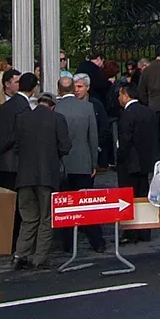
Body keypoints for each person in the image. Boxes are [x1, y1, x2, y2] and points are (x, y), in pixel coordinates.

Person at [0, 91, 70, 270]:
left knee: (28, 218)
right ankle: (39, 258)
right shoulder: (57, 119)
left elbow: (14, 145)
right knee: (46, 218)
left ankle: (20, 255)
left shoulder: (22, 119)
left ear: (37, 103)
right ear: (52, 106)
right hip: (47, 177)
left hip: (24, 177)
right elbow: (65, 147)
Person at [53, 76, 104, 253]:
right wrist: (94, 163)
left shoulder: (55, 109)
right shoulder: (87, 107)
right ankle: (97, 242)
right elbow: (93, 137)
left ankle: (67, 243)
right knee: (87, 204)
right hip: (83, 161)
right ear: (73, 88)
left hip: (63, 163)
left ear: (59, 90)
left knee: (66, 204)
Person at [115, 84, 160, 241]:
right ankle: (145, 230)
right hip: (146, 160)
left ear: (126, 95)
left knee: (128, 198)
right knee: (143, 195)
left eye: (120, 95)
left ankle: (130, 231)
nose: (118, 99)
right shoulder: (148, 111)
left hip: (130, 162)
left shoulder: (127, 114)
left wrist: (119, 157)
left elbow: (125, 140)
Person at [73, 73, 113, 174]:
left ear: (88, 87)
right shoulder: (70, 105)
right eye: (74, 87)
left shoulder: (96, 104)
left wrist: (97, 147)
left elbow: (104, 127)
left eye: (80, 86)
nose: (76, 90)